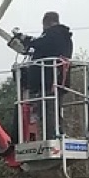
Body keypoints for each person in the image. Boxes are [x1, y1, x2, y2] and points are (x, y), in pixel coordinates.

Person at [9, 12, 74, 142]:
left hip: (49, 80)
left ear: (46, 22)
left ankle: (52, 137)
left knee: (48, 110)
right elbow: (41, 44)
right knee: (54, 109)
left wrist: (23, 38)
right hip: (58, 79)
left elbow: (39, 43)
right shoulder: (64, 37)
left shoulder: (53, 34)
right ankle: (59, 134)